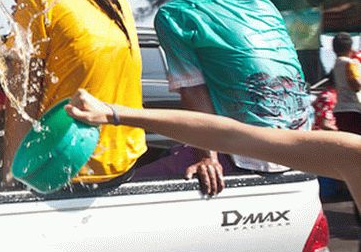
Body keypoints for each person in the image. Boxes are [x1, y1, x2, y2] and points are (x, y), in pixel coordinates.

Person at [143, 0, 311, 195]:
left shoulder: (175, 14)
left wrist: (208, 158)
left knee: (128, 187)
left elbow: (192, 89)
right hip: (302, 143)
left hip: (244, 154)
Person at [1, 0, 146, 186]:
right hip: (124, 158)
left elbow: (22, 99)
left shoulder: (36, 1)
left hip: (67, 163)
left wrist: (13, 176)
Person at [66, 88, 361, 210]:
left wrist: (115, 114)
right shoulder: (354, 156)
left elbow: (231, 136)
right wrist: (114, 114)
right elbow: (228, 135)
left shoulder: (354, 156)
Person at [331, 32, 361, 136]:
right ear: (350, 48)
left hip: (340, 109)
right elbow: (356, 85)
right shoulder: (351, 63)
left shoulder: (336, 65)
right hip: (353, 109)